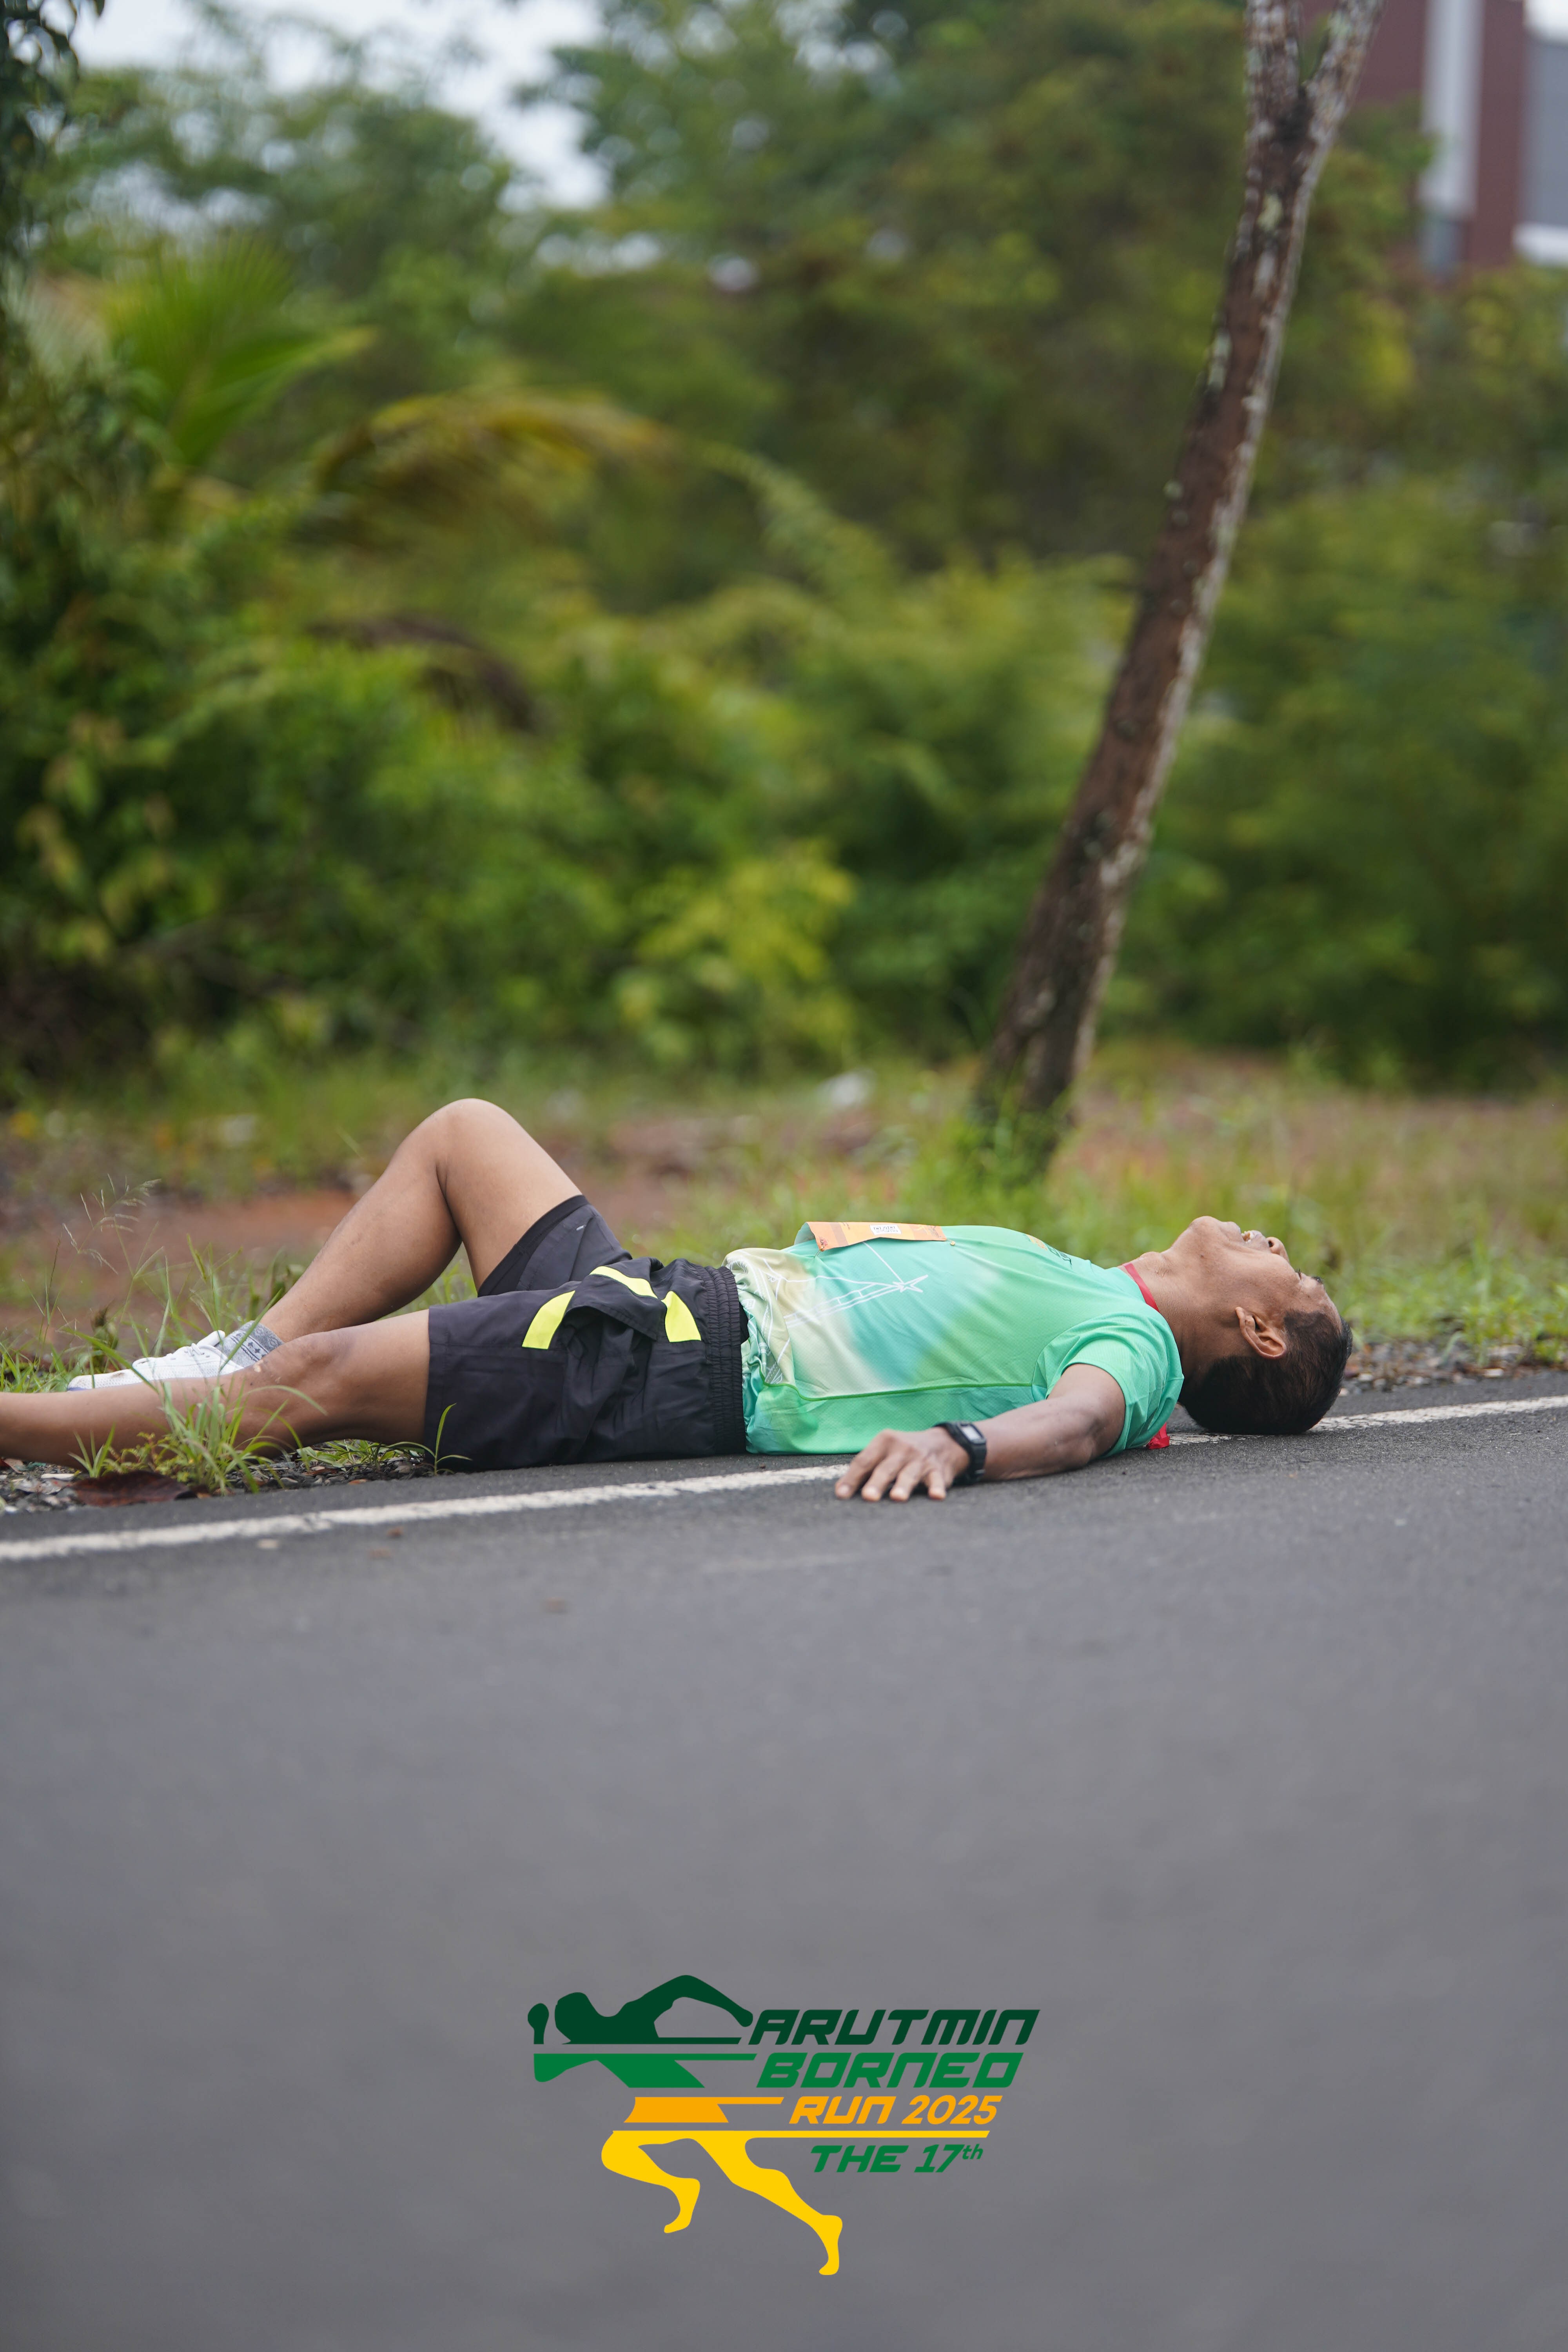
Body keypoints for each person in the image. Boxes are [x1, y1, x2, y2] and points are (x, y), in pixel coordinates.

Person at [2, 1098, 1352, 1497]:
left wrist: (961, 1444)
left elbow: (1079, 1420)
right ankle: (197, 1384)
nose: (1271, 1238)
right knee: (468, 1137)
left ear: (1257, 1328)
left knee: (320, 1388)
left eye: (1286, 1268)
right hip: (668, 1300)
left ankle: (86, 1421)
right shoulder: (1093, 1279)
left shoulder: (1134, 1348)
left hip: (678, 1364)